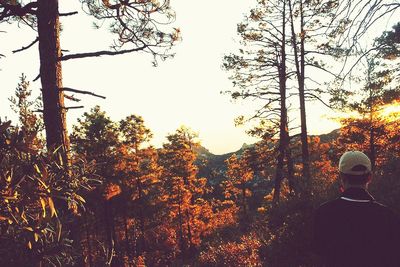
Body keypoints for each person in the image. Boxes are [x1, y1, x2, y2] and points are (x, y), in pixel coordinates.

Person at [313, 151, 400, 267]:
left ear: (341, 177)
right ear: (369, 177)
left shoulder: (324, 213)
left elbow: (318, 252)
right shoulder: (388, 216)